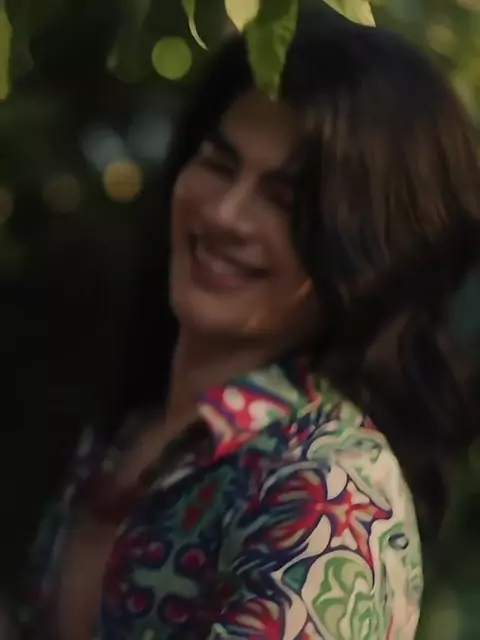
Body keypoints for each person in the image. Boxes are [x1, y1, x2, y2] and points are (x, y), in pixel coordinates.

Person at [16, 1, 480, 638]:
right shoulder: (134, 426)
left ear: (367, 250)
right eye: (219, 164)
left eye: (285, 200)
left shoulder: (326, 496)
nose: (226, 214)